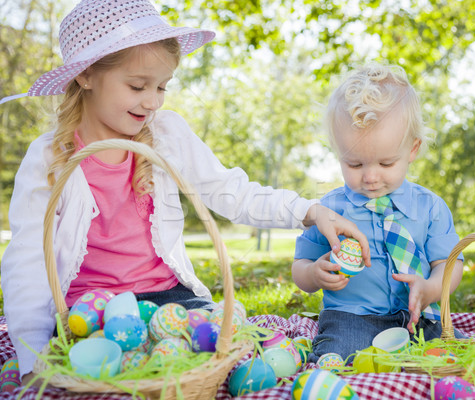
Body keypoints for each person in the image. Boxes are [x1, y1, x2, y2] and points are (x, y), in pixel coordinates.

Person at [0, 0, 371, 383]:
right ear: (87, 75)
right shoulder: (50, 158)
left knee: (243, 344)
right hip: (93, 311)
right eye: (137, 86)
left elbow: (233, 191)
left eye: (161, 86)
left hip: (169, 299)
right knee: (106, 364)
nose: (153, 101)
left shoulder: (166, 134)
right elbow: (26, 260)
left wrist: (312, 212)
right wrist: (32, 355)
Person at [292, 64, 465, 363]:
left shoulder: (430, 206)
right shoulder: (329, 210)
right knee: (339, 356)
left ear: (412, 150)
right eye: (355, 165)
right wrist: (313, 274)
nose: (370, 177)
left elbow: (449, 266)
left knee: (458, 355)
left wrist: (431, 288)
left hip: (419, 316)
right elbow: (300, 268)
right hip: (352, 317)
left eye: (386, 164)